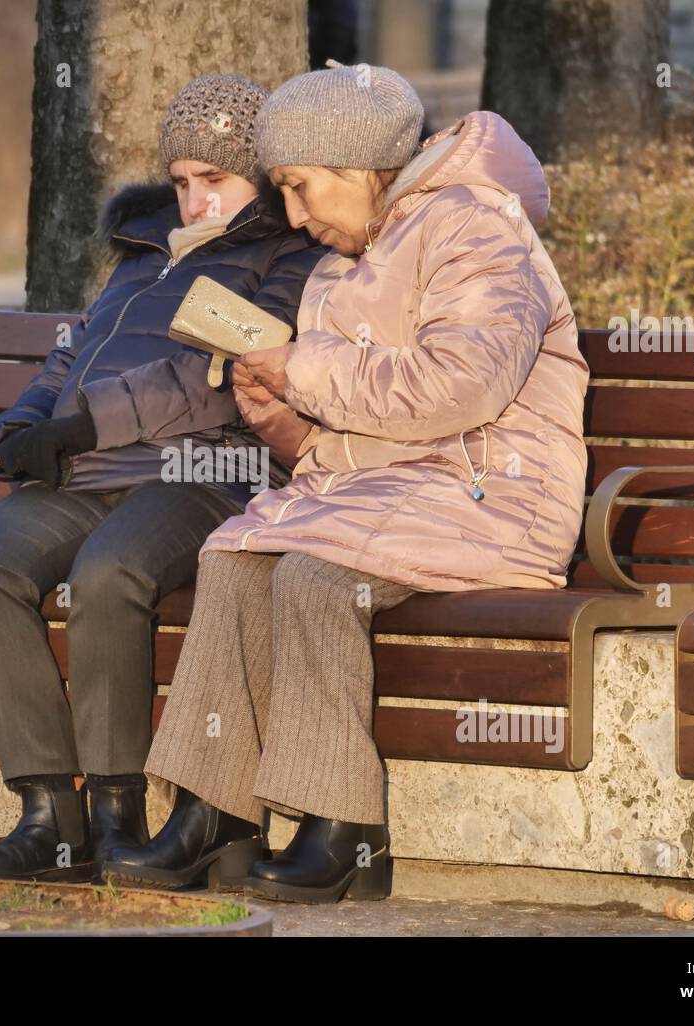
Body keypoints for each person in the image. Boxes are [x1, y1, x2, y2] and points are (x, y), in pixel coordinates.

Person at [104, 61, 590, 903]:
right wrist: (283, 418)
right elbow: (349, 435)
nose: (295, 215)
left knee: (316, 575)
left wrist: (307, 369)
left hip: (496, 493)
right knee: (235, 554)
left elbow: (458, 385)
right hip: (398, 493)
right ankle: (211, 811)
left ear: (358, 166)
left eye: (299, 188)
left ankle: (345, 829)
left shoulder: (474, 228)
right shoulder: (346, 257)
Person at [0, 74, 323, 883]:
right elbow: (69, 352)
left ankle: (120, 811)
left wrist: (85, 423)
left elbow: (214, 379)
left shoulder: (290, 258)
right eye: (182, 182)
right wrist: (24, 421)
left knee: (111, 570)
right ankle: (50, 813)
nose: (195, 202)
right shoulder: (143, 254)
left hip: (200, 469)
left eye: (215, 181)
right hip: (89, 470)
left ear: (259, 177)